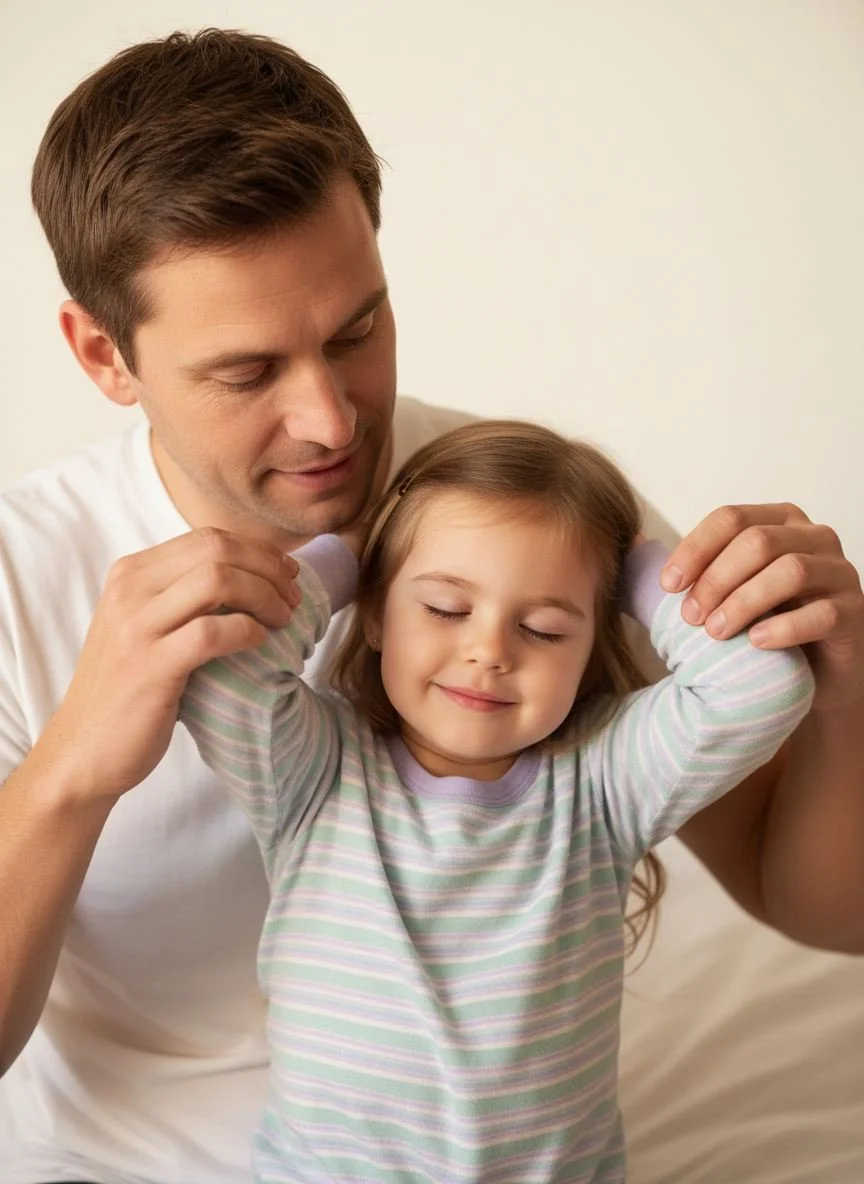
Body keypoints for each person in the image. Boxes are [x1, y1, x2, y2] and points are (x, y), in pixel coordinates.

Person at [0, 26, 861, 1184]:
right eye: (248, 372)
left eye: (356, 330)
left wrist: (844, 678)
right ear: (104, 355)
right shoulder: (19, 576)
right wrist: (68, 773)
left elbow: (820, 912)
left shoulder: (523, 517)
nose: (332, 420)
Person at [179, 419, 815, 1183]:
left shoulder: (602, 779)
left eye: (544, 629)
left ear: (590, 648)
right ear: (378, 612)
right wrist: (350, 556)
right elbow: (222, 676)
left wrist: (635, 569)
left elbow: (763, 684)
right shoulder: (316, 768)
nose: (490, 651)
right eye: (446, 609)